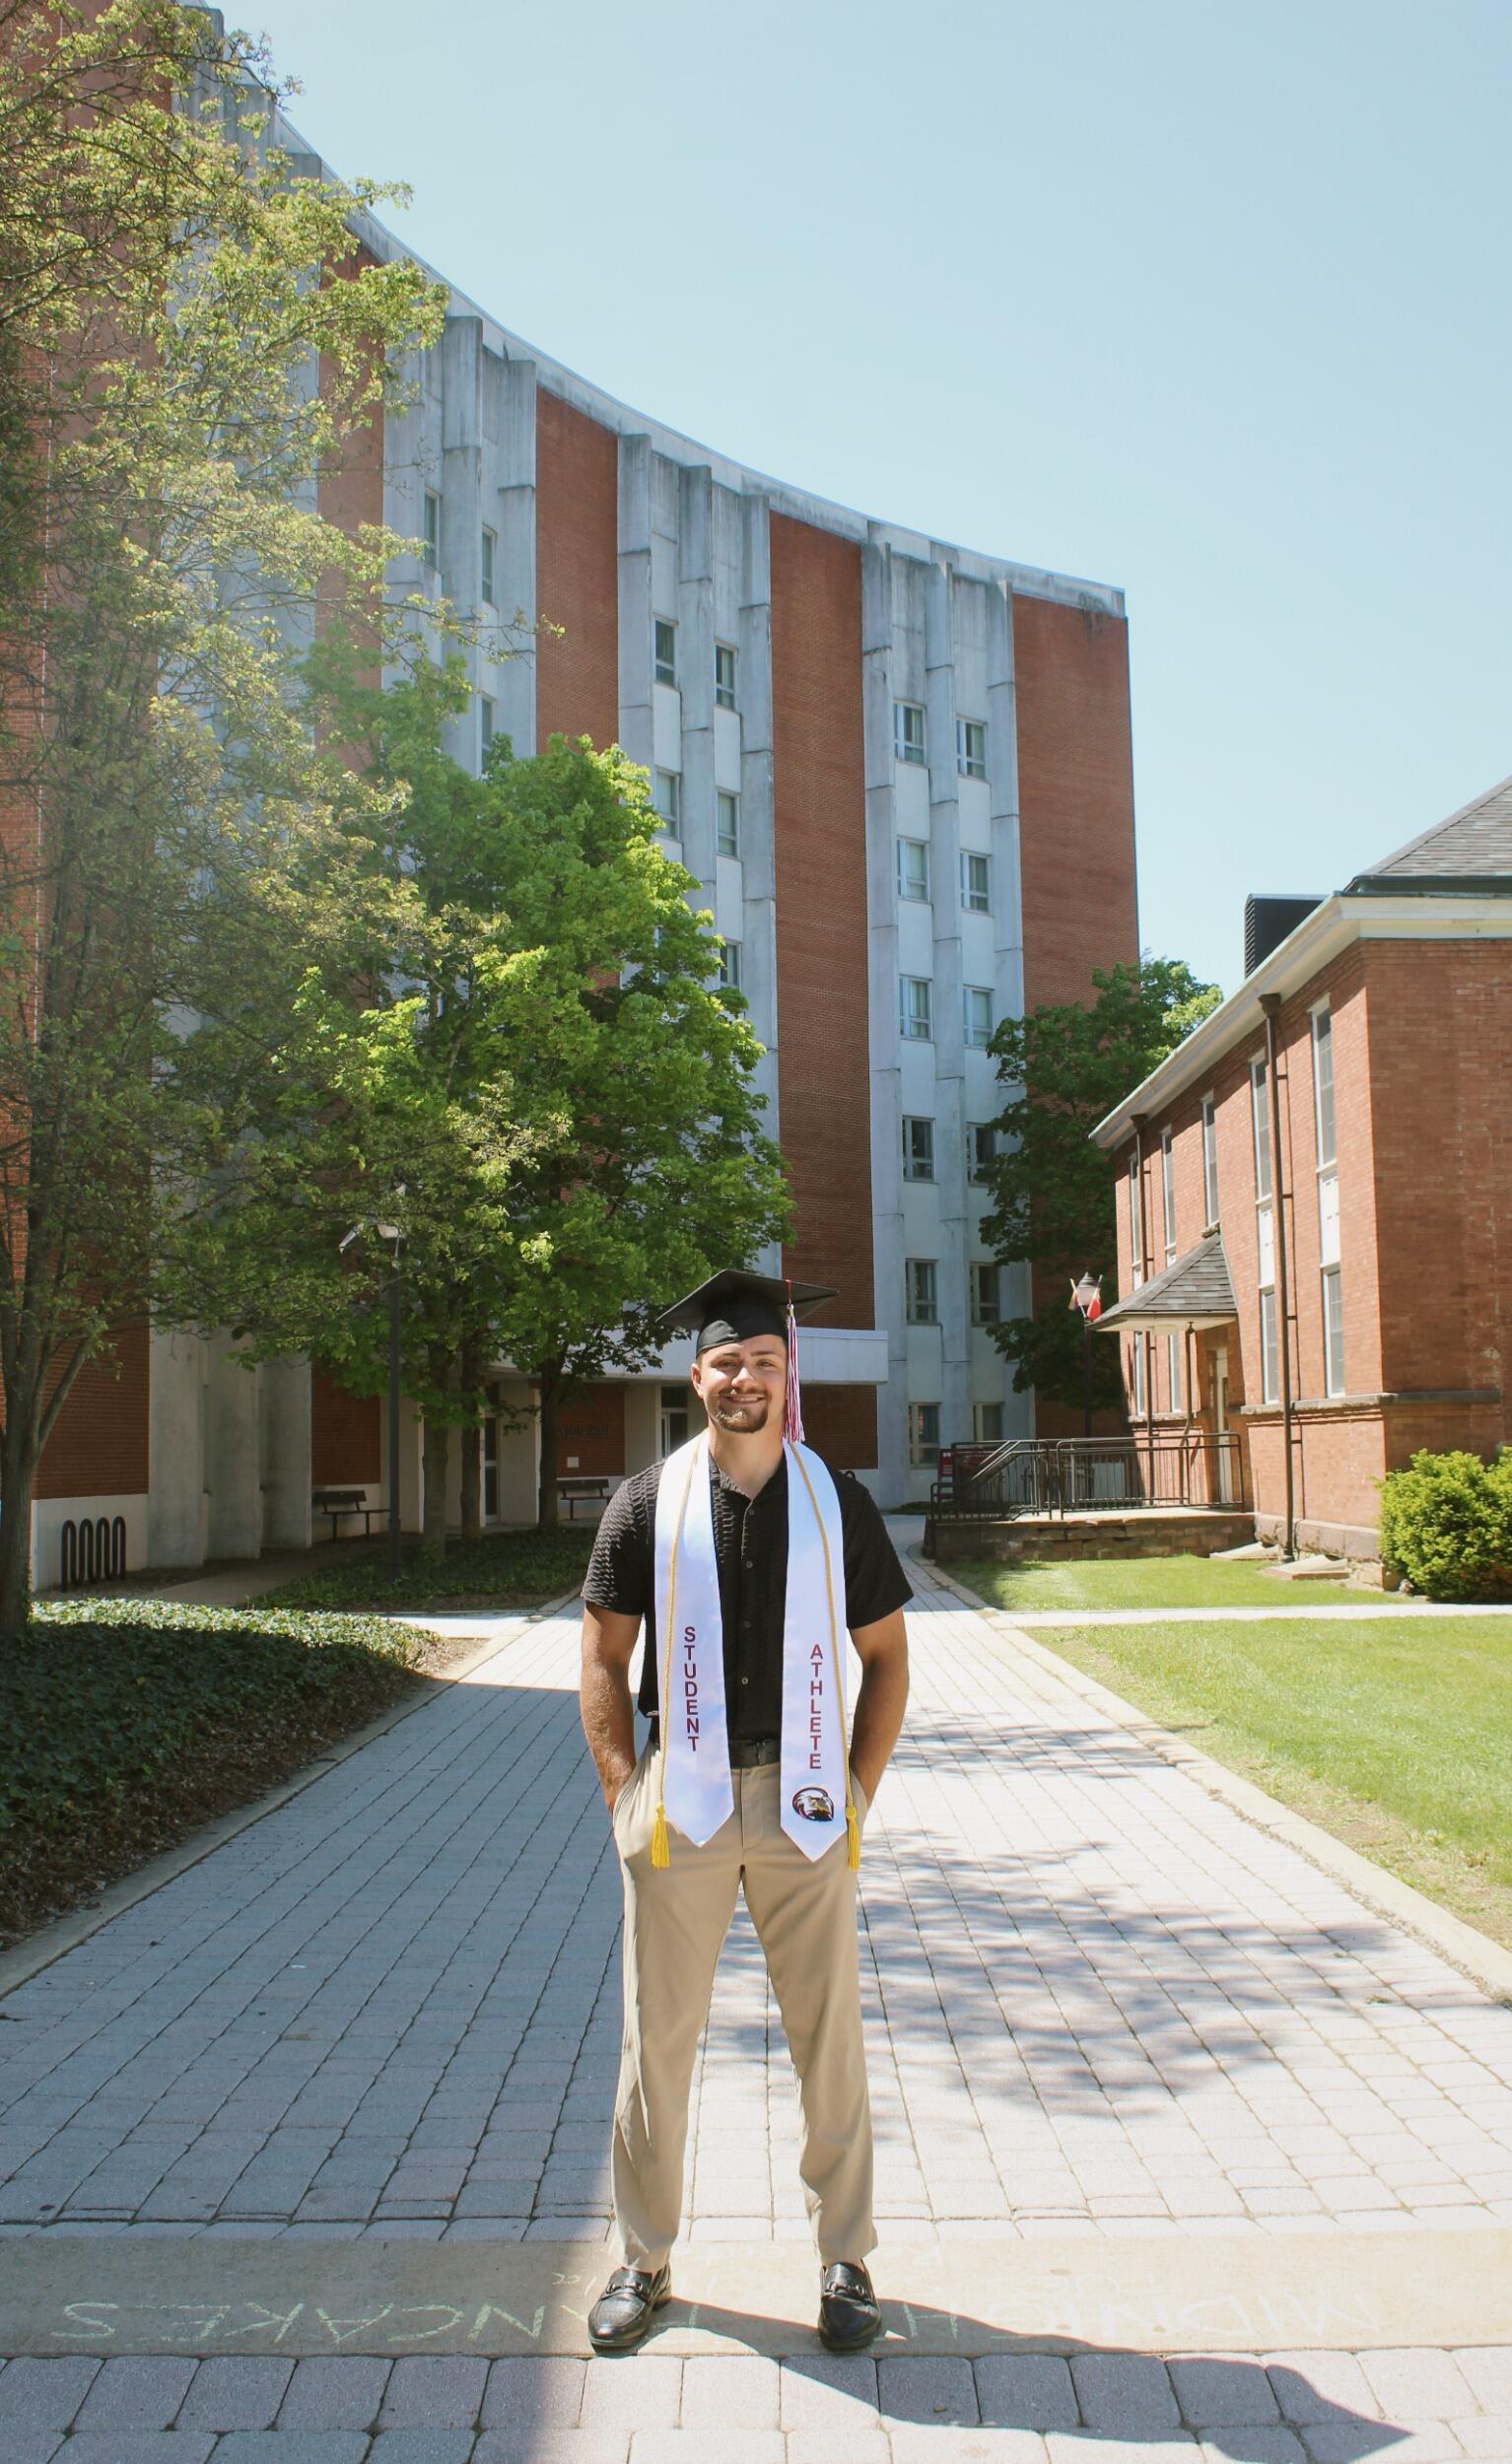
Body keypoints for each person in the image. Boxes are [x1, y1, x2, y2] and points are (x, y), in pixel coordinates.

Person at [578, 1269, 912, 2355]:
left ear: (785, 1372)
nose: (745, 1377)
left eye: (763, 1360)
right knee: (654, 2040)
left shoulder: (836, 1497)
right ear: (697, 1374)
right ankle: (643, 2258)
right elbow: (601, 1654)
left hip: (805, 1803)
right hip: (680, 1804)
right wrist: (626, 1791)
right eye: (726, 1361)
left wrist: (854, 1791)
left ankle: (846, 2259)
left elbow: (886, 1658)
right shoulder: (646, 1501)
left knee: (830, 2040)